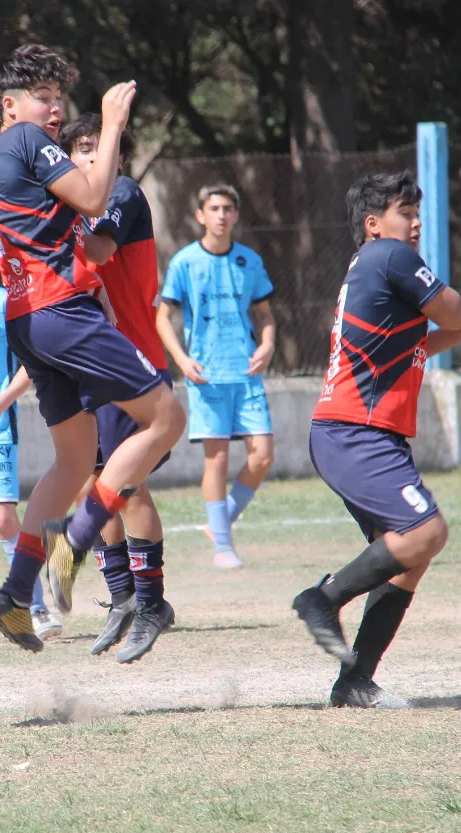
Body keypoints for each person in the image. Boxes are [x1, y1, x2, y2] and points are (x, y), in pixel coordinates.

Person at [0, 43, 186, 657]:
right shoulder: (22, 139)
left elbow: (87, 228)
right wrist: (114, 123)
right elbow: (95, 198)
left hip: (27, 318)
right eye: (45, 97)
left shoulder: (1, 155)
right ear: (11, 106)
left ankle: (15, 595)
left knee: (73, 461)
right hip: (59, 311)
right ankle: (76, 543)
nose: (56, 108)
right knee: (167, 417)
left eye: (60, 99)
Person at [291, 171, 461, 708]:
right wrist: (459, 314)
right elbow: (448, 305)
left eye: (415, 213)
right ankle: (322, 598)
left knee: (410, 554)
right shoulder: (389, 255)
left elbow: (411, 348)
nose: (415, 223)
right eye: (404, 212)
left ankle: (354, 681)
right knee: (425, 531)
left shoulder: (372, 265)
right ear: (373, 223)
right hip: (354, 431)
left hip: (355, 432)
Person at [60, 113, 175, 662]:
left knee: (125, 488)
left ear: (115, 156)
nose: (88, 159)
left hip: (135, 362)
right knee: (92, 484)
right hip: (93, 364)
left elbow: (100, 251)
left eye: (94, 148)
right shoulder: (65, 209)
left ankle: (152, 602)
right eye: (78, 151)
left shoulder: (123, 193)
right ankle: (123, 597)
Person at [155, 184, 275, 569]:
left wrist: (268, 345)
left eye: (228, 208)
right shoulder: (185, 262)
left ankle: (220, 520)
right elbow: (162, 317)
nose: (221, 215)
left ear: (236, 216)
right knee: (218, 459)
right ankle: (223, 545)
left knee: (262, 456)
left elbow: (265, 314)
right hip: (206, 376)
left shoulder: (250, 261)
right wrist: (182, 361)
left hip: (245, 373)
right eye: (214, 208)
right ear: (201, 216)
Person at [0, 277, 62, 640]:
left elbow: (32, 361)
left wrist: (1, 402)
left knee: (2, 516)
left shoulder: (5, 302)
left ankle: (33, 606)